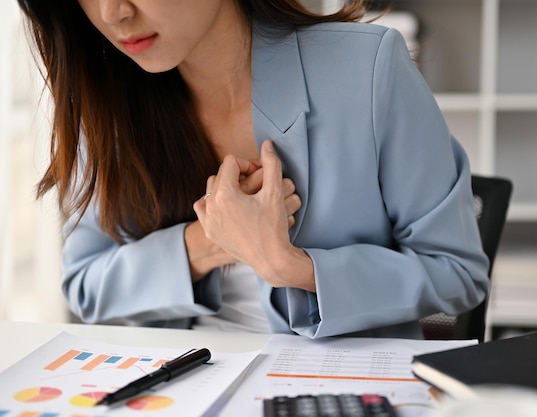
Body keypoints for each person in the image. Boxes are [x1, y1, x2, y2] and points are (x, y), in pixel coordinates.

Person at [17, 0, 489, 339]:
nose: (112, 12)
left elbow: (456, 274)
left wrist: (290, 266)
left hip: (336, 389)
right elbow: (85, 283)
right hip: (186, 383)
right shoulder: (105, 103)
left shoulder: (368, 68)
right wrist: (211, 242)